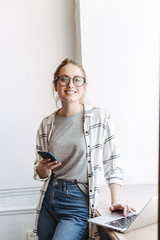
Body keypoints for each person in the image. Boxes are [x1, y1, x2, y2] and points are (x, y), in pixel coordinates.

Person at [33, 58, 135, 240]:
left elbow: (112, 161)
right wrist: (42, 168)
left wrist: (116, 201)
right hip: (50, 199)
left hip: (78, 201)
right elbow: (40, 172)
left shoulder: (99, 118)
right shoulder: (46, 123)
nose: (70, 84)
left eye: (77, 79)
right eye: (64, 79)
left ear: (84, 86)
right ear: (56, 85)